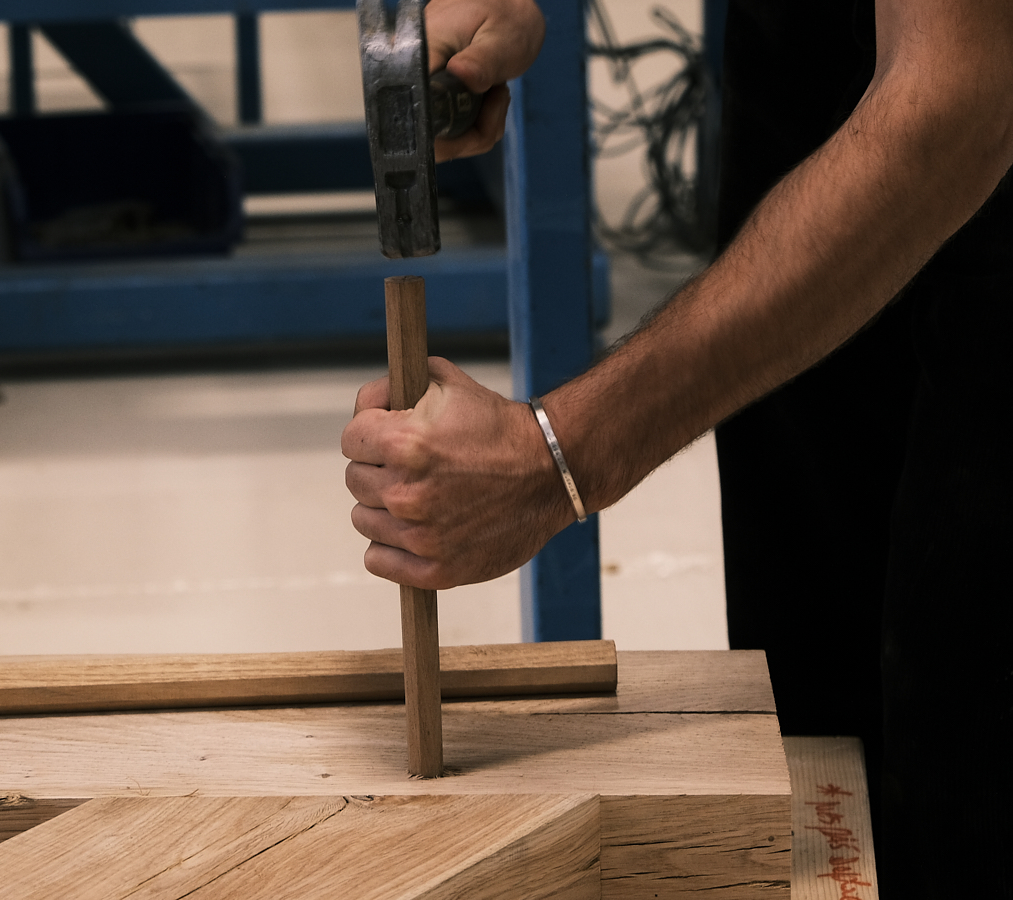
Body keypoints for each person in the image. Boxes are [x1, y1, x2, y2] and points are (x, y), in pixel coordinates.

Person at [342, 0, 1013, 894]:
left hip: (969, 97)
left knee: (965, 741)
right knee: (819, 728)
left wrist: (557, 458)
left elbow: (960, 104)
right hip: (825, 54)